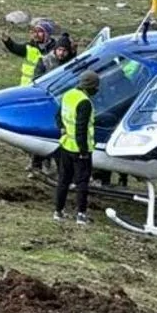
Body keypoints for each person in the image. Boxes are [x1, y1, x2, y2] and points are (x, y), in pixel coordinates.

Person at [26, 33, 76, 176]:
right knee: (42, 133)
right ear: (55, 49)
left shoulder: (70, 63)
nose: (61, 53)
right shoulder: (44, 61)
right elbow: (37, 80)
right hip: (46, 102)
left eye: (64, 51)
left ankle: (56, 168)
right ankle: (36, 164)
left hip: (62, 104)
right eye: (59, 50)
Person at [54, 70, 99, 225]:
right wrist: (83, 151)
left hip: (65, 144)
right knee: (82, 182)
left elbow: (58, 116)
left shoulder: (68, 95)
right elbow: (81, 128)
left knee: (63, 180)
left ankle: (58, 211)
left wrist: (62, 128)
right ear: (90, 87)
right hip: (79, 149)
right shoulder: (85, 102)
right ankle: (81, 214)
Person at [2, 18, 55, 86]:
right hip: (26, 87)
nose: (36, 34)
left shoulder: (55, 49)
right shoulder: (29, 47)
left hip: (44, 87)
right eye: (35, 31)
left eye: (39, 32)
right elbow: (14, 48)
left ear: (47, 34)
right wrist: (7, 41)